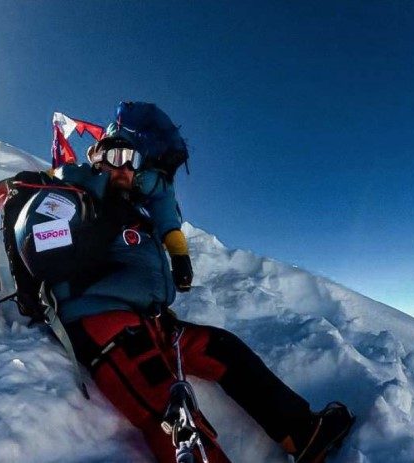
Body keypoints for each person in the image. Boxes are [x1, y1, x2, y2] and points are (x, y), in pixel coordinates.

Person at [35, 120, 355, 462]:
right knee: (171, 412)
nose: (126, 166)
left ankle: (303, 433)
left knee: (224, 349)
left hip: (154, 323)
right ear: (95, 158)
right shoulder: (72, 194)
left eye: (132, 159)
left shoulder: (132, 210)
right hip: (104, 325)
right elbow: (44, 248)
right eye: (116, 155)